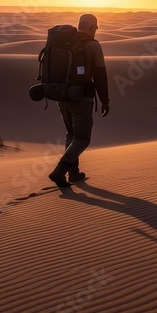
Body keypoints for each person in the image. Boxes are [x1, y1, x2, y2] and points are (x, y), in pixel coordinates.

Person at [48, 13, 110, 188]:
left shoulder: (63, 43)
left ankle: (74, 173)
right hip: (81, 98)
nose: (96, 31)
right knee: (82, 139)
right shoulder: (92, 46)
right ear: (92, 28)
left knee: (72, 135)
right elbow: (100, 76)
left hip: (61, 96)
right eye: (96, 28)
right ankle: (60, 171)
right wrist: (105, 100)